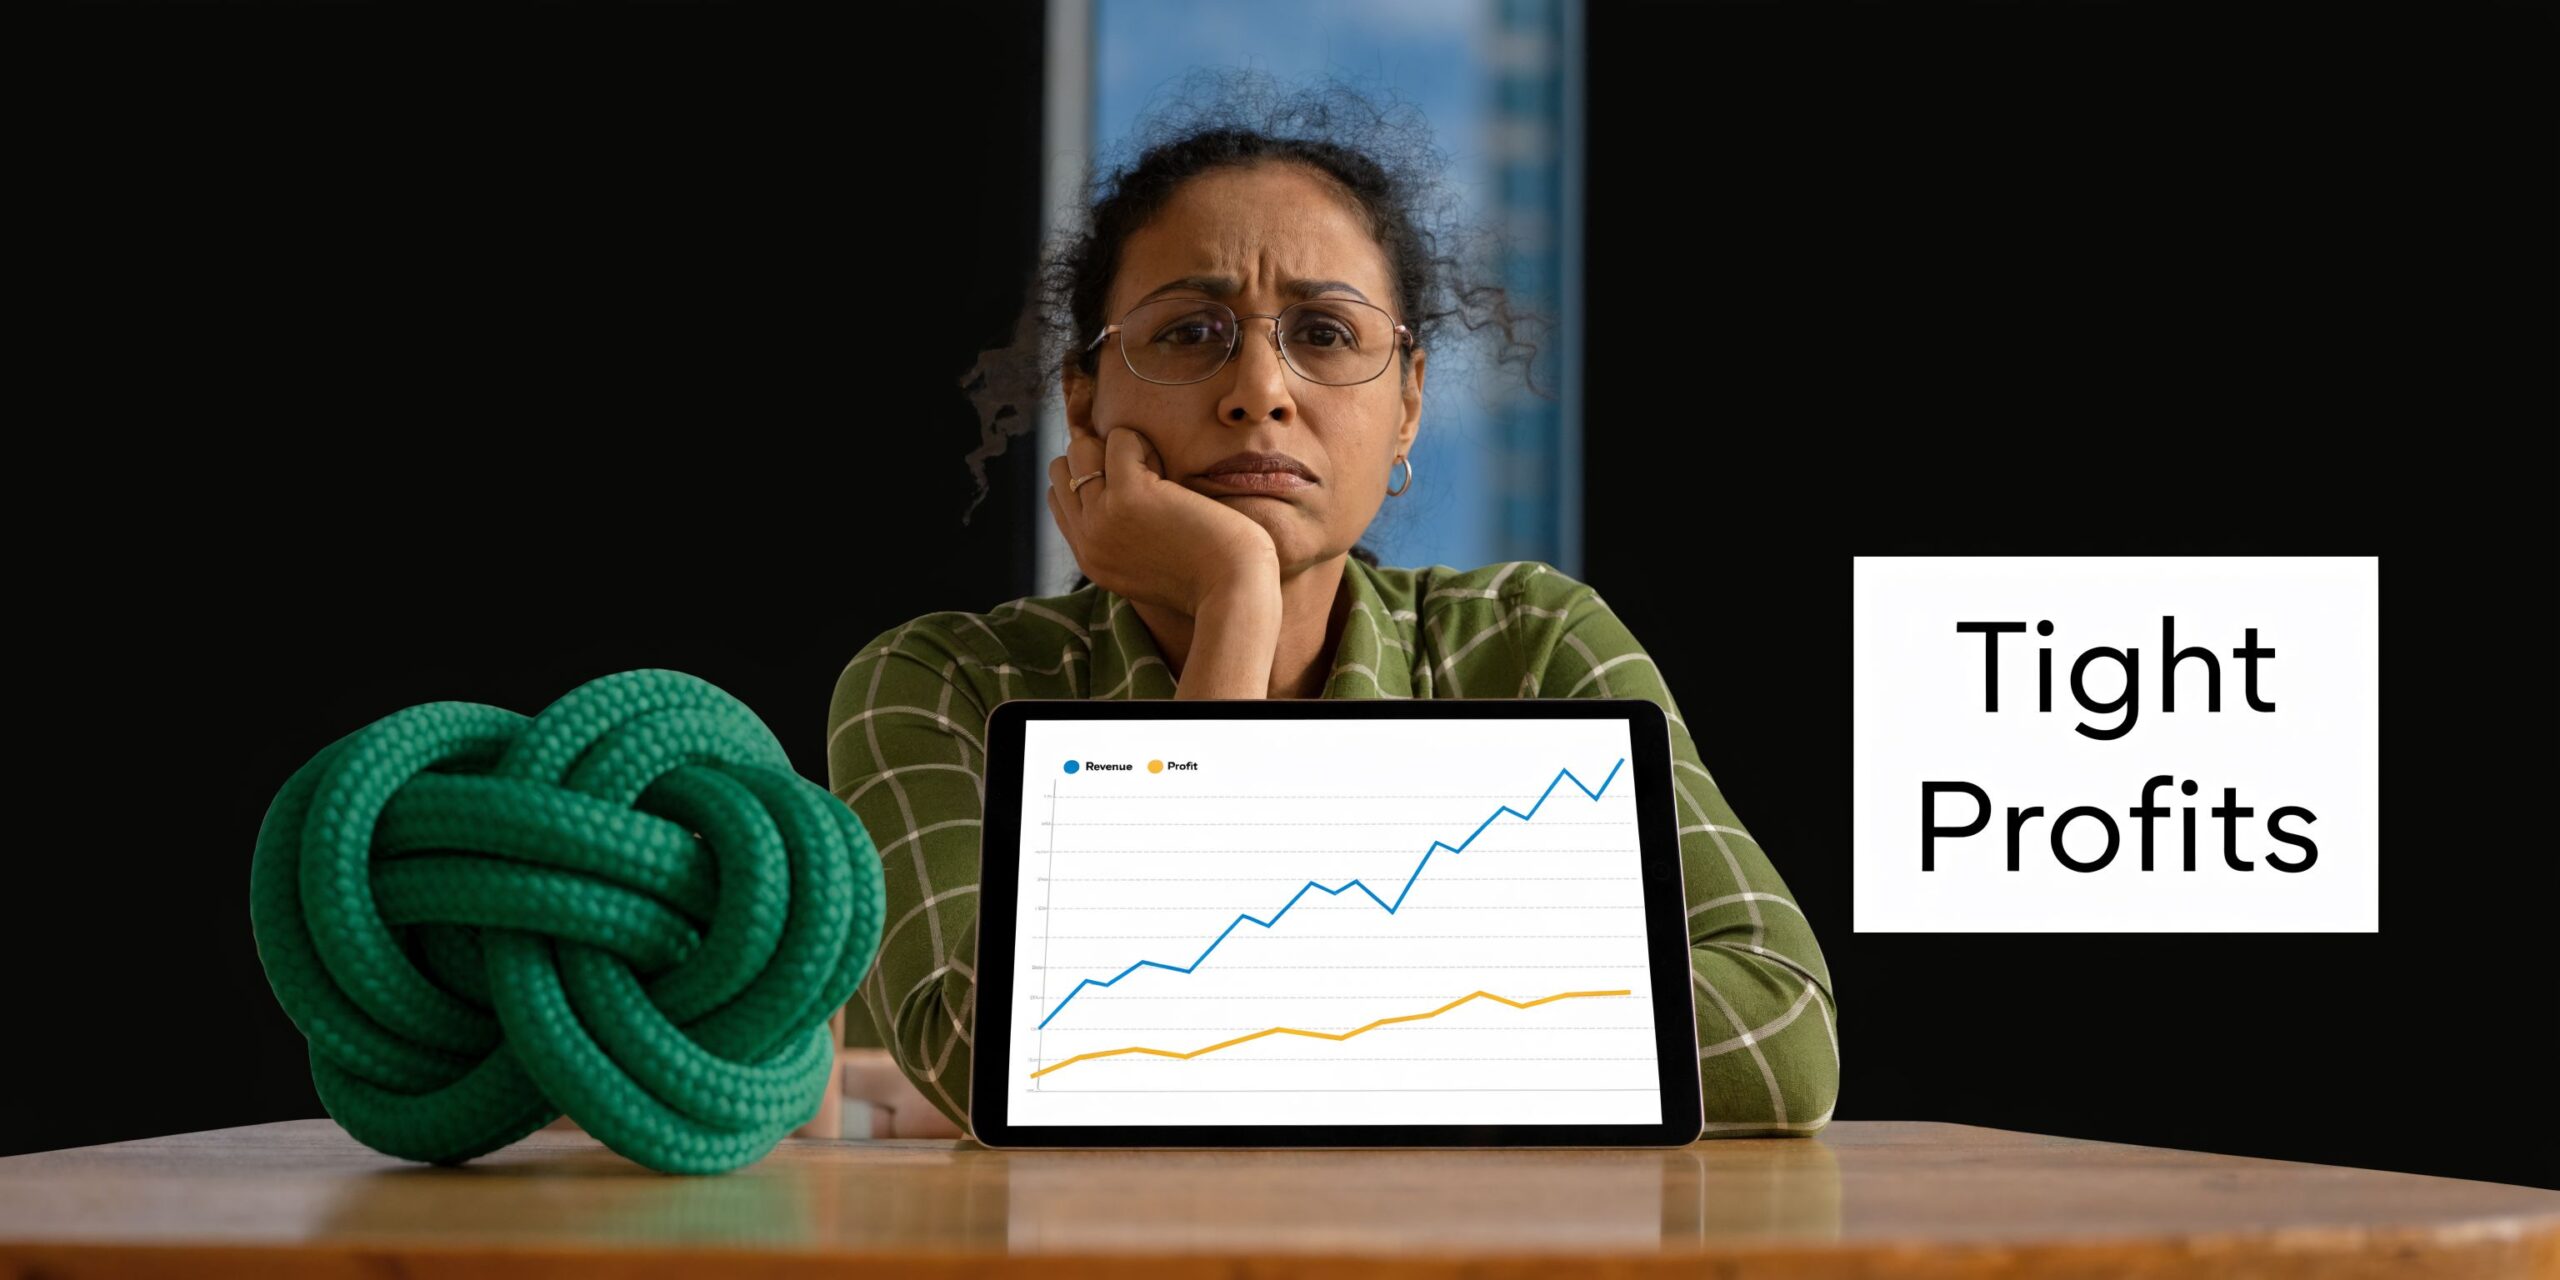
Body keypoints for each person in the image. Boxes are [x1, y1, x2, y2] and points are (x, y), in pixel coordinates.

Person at [827, 76, 1836, 1139]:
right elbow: (989, 1055)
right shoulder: (940, 684)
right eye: (1188, 333)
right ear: (1084, 396)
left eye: (1321, 332)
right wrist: (1232, 605)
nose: (1258, 387)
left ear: (1405, 404)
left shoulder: (1534, 642)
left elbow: (1781, 1035)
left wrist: (1221, 1011)